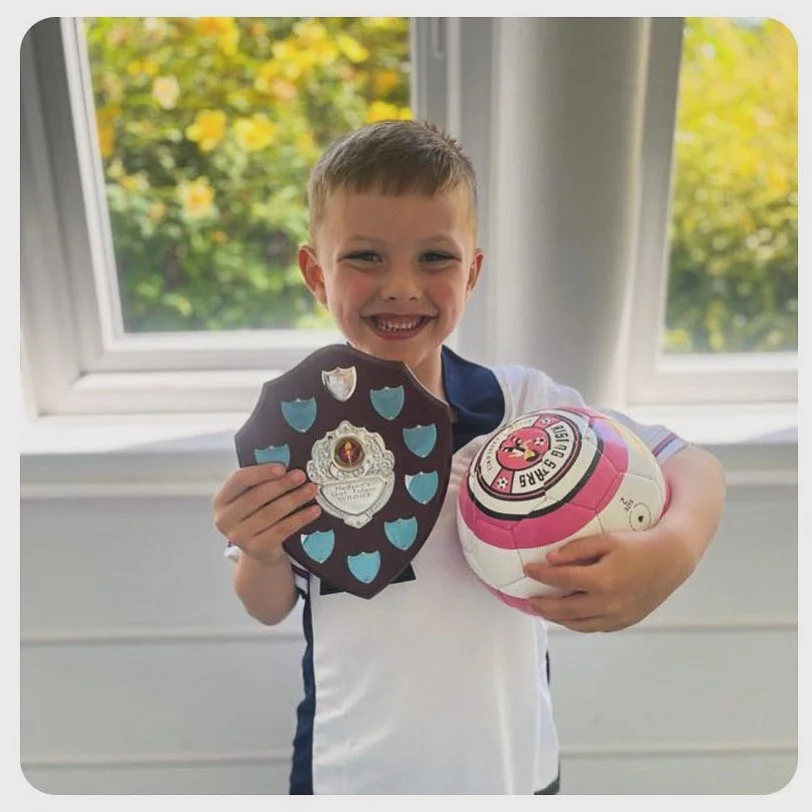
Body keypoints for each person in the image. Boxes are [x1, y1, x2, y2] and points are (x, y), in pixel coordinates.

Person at [212, 119, 726, 795]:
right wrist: (262, 549)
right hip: (352, 775)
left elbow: (690, 464)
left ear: (473, 269)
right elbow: (269, 606)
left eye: (435, 258)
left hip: (513, 770)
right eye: (365, 256)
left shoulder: (525, 406)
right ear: (316, 272)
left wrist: (674, 551)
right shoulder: (294, 434)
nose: (401, 285)